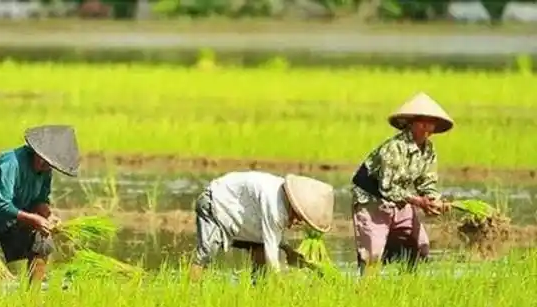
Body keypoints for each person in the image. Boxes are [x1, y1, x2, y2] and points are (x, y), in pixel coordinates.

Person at [351, 92, 453, 276]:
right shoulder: (394, 147)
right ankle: (365, 295)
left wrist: (434, 201)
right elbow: (387, 188)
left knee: (420, 247)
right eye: (422, 122)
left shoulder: (428, 149)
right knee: (372, 258)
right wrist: (419, 202)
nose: (427, 127)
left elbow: (426, 183)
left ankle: (408, 288)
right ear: (411, 123)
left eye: (431, 123)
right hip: (372, 201)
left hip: (401, 201)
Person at [0, 124, 80, 285]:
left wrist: (48, 215)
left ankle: (32, 298)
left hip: (15, 209)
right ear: (37, 152)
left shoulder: (45, 171)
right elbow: (1, 204)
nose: (46, 166)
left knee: (43, 241)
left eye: (50, 164)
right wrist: (35, 220)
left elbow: (40, 199)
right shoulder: (11, 164)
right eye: (44, 160)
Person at [188, 171, 335, 282]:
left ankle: (257, 290)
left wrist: (289, 251)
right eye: (299, 218)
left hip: (241, 214)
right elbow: (272, 256)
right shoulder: (275, 205)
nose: (297, 223)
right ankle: (191, 295)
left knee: (260, 248)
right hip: (216, 203)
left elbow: (271, 233)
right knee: (205, 255)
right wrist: (281, 286)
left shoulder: (282, 200)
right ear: (295, 206)